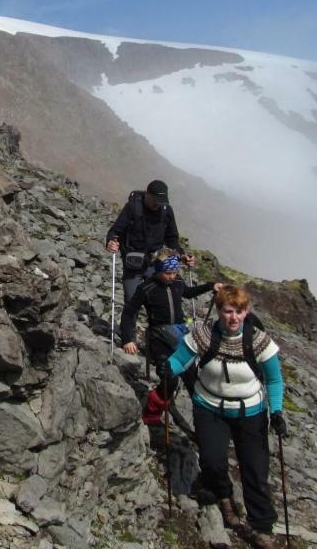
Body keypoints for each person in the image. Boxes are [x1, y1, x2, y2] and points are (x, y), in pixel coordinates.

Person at [158, 285, 285, 549]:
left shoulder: (258, 340)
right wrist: (167, 368)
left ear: (246, 311)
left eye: (239, 311)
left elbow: (273, 380)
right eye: (228, 311)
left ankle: (262, 526)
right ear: (218, 311)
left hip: (251, 412)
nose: (234, 317)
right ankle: (225, 500)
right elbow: (180, 359)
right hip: (210, 407)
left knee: (255, 468)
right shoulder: (204, 335)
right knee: (213, 461)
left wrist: (276, 412)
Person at [120, 247, 221, 424]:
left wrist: (210, 286)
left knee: (193, 378)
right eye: (167, 273)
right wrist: (128, 339)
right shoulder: (146, 288)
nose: (172, 276)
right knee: (170, 379)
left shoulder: (177, 282)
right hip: (158, 338)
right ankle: (152, 412)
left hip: (181, 335)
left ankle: (204, 422)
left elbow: (189, 292)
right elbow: (129, 312)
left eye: (174, 272)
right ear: (158, 270)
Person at [106, 180, 195, 304]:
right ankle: (129, 323)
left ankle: (157, 323)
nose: (157, 204)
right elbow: (115, 231)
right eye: (155, 199)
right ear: (147, 194)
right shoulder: (133, 207)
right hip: (133, 264)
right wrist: (111, 241)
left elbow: (172, 238)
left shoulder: (166, 210)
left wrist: (182, 254)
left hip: (156, 263)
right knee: (131, 303)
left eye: (160, 201)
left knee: (159, 303)